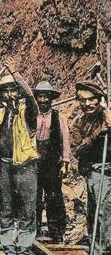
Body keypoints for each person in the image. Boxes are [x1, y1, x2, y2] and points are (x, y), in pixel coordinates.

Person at [0, 59, 39, 255]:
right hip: (5, 166)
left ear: (18, 92)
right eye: (5, 91)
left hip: (26, 166)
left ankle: (24, 247)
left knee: (27, 209)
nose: (10, 95)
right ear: (1, 95)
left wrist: (16, 73)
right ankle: (8, 246)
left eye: (13, 90)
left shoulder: (29, 112)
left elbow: (31, 98)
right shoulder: (0, 113)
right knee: (6, 207)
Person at [70, 80, 110, 253]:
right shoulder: (79, 123)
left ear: (99, 99)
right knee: (94, 214)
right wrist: (99, 133)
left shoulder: (108, 116)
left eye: (91, 99)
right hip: (94, 172)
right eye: (82, 100)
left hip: (108, 171)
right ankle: (96, 250)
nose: (87, 104)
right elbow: (77, 149)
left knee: (105, 214)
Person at [32, 81, 70, 243]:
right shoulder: (31, 114)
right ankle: (35, 228)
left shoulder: (58, 116)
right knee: (34, 195)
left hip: (52, 163)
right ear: (36, 98)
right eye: (40, 96)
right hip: (33, 161)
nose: (43, 100)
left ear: (51, 99)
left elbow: (65, 139)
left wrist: (66, 161)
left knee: (54, 196)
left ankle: (56, 231)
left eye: (46, 96)